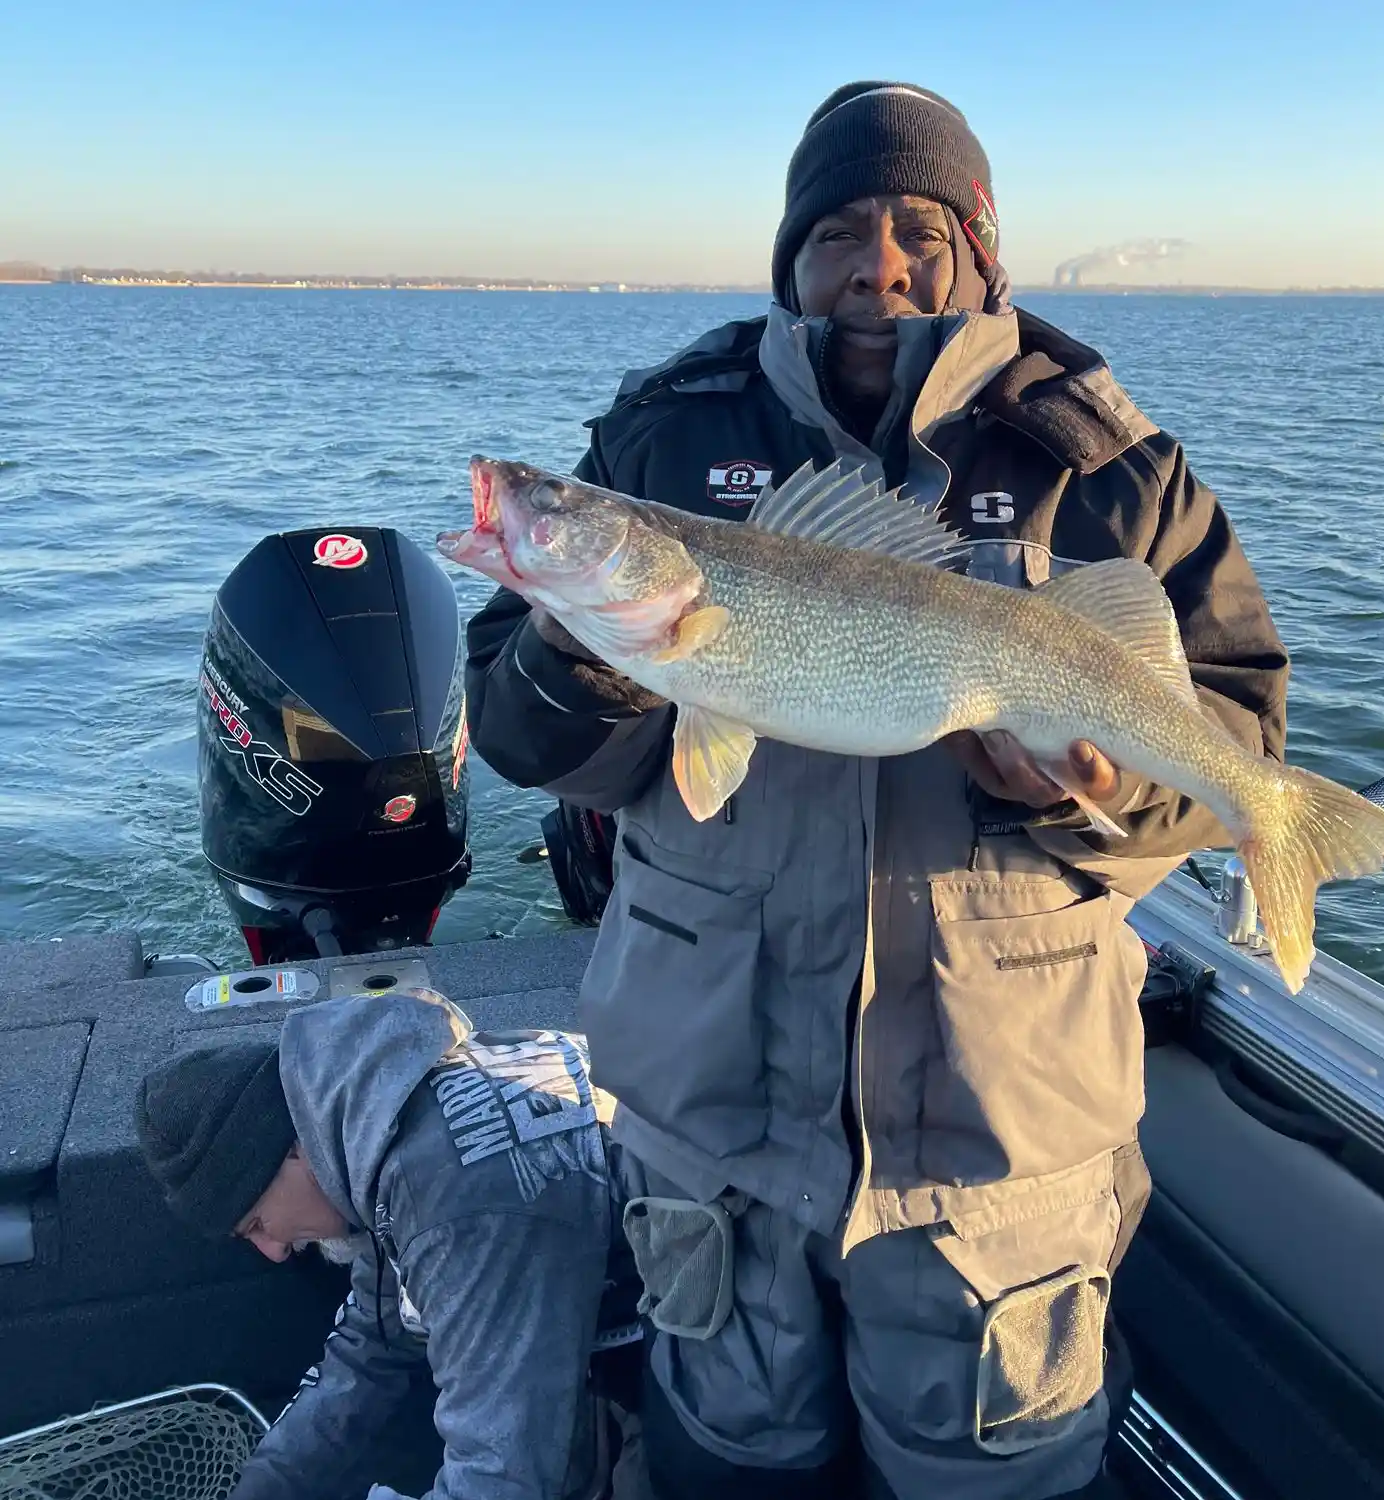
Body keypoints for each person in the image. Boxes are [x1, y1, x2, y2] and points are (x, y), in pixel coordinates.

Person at [463, 81, 1290, 1500]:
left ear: (980, 251)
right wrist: (583, 645)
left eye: (919, 227)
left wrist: (1086, 787)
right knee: (729, 1465)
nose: (879, 261)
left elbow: (1237, 736)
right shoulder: (662, 437)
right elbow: (518, 733)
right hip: (708, 1130)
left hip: (997, 1150)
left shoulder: (1108, 466)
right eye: (839, 228)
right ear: (791, 255)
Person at [135, 987, 645, 1500]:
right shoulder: (387, 1119)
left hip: (697, 1359)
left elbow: (503, 1474)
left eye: (257, 1224)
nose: (273, 1251)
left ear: (289, 1152)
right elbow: (372, 1343)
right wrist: (266, 1487)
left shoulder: (455, 1203)